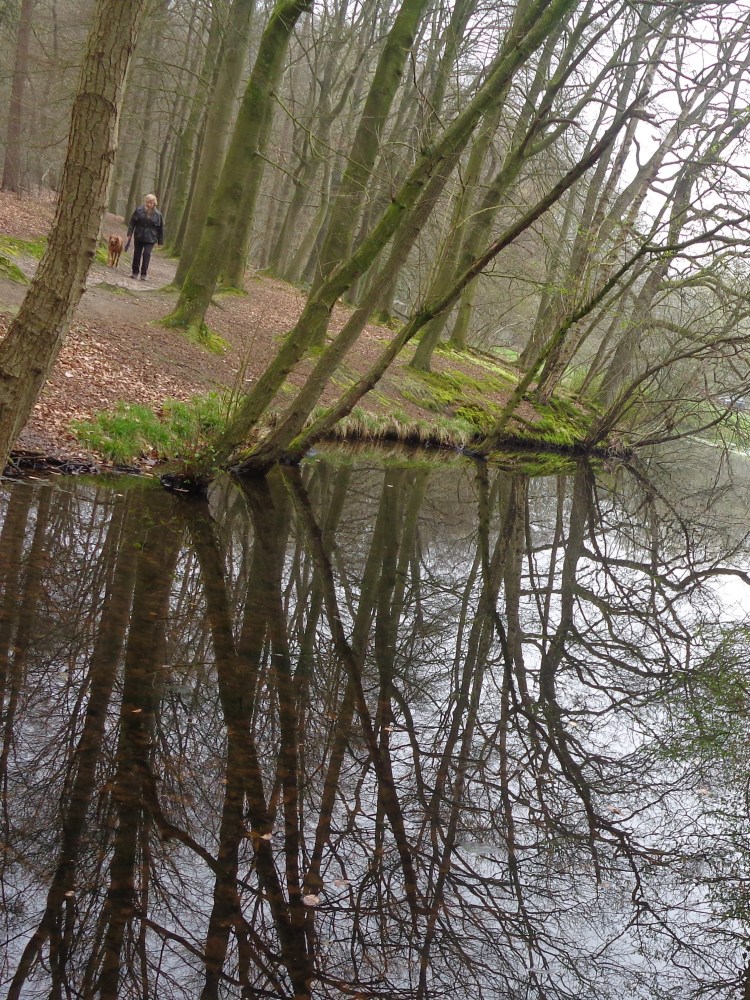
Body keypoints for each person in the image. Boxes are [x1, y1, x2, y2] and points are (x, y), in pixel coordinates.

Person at [125, 193, 164, 281]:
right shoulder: (138, 210)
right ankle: (135, 272)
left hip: (151, 238)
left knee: (147, 254)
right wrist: (130, 233)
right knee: (137, 254)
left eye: (151, 203)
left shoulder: (158, 215)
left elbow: (160, 228)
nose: (148, 204)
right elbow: (132, 222)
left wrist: (160, 241)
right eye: (147, 202)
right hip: (139, 235)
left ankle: (143, 274)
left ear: (154, 204)